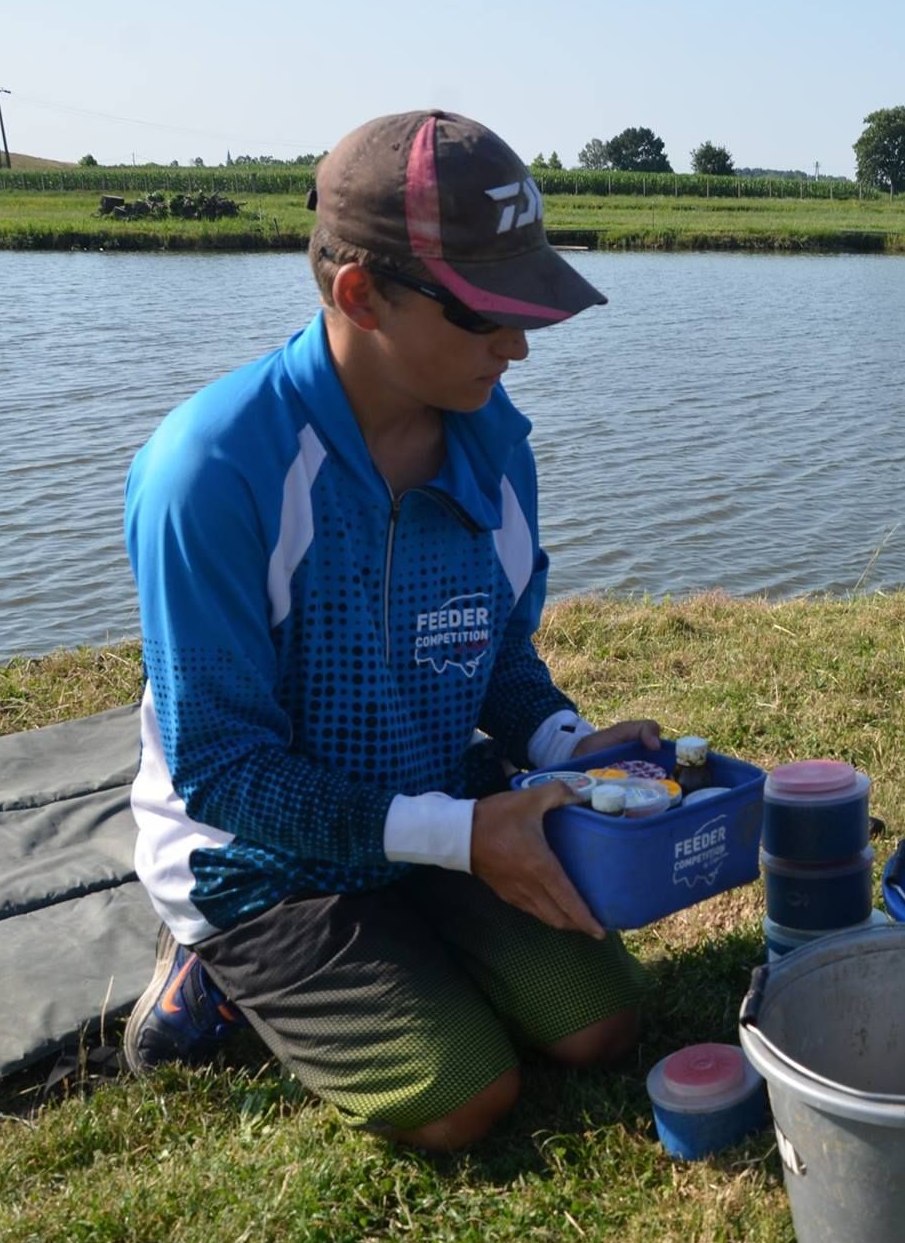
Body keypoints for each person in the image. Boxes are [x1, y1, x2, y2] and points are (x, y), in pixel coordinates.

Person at [120, 110, 657, 1151]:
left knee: (601, 1027)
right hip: (259, 857)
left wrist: (560, 743)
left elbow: (496, 655)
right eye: (483, 317)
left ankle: (421, 932)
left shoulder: (496, 449)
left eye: (527, 310)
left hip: (434, 812)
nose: (516, 347)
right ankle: (209, 963)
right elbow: (223, 771)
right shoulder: (214, 473)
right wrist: (460, 838)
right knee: (464, 1100)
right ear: (358, 294)